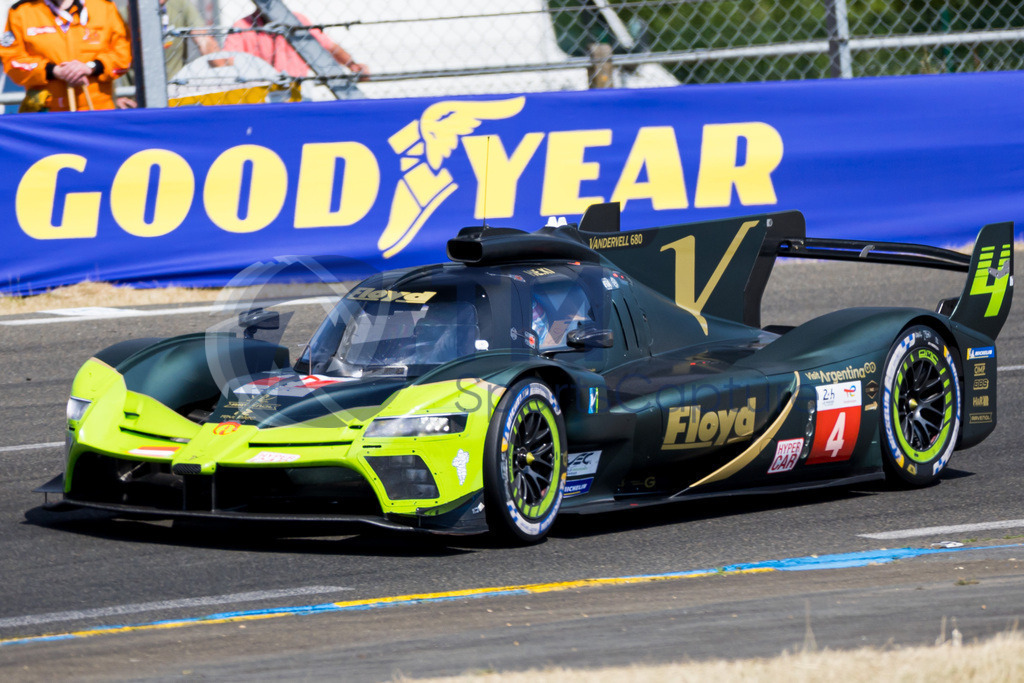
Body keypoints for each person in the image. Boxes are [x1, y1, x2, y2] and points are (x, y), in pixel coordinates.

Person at [0, 0, 132, 112]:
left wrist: (90, 68)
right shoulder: (22, 11)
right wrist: (54, 71)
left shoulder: (104, 7)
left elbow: (123, 55)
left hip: (97, 110)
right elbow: (12, 60)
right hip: (45, 112)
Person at [223, 8, 367, 81]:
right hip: (260, 94)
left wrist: (352, 64)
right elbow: (228, 61)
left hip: (298, 90)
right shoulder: (242, 26)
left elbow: (329, 47)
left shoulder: (298, 20)